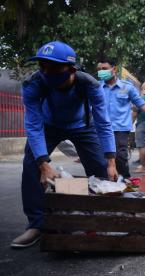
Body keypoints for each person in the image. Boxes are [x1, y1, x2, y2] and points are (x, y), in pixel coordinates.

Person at [12, 41, 118, 248]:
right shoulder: (33, 83)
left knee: (100, 169)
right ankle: (36, 224)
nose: (46, 72)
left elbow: (104, 123)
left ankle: (98, 216)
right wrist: (43, 164)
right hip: (48, 126)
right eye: (43, 66)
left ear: (71, 68)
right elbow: (33, 125)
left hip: (82, 126)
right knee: (31, 165)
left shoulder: (90, 84)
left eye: (54, 67)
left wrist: (111, 161)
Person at [97, 58, 145, 178]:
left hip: (120, 128)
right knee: (102, 159)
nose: (102, 71)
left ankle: (124, 181)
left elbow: (140, 103)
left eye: (105, 69)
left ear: (114, 69)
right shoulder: (97, 87)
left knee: (120, 158)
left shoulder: (126, 87)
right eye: (100, 69)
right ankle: (105, 184)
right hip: (101, 128)